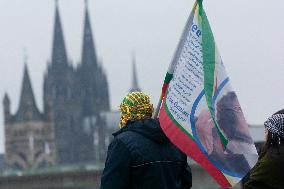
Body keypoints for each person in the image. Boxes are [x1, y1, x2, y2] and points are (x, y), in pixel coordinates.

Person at [100, 92, 192, 189]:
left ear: (126, 112)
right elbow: (186, 182)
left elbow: (111, 184)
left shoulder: (122, 143)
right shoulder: (173, 140)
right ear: (148, 110)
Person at [244, 109, 284, 189]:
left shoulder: (273, 158)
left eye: (267, 131)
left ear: (274, 133)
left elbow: (253, 185)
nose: (265, 134)